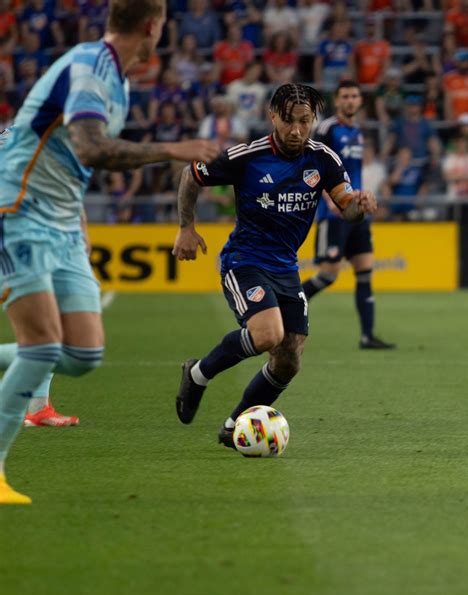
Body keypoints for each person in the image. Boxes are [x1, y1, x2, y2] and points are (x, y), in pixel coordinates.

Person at [0, 0, 219, 505]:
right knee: (39, 347)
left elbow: (82, 161)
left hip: (62, 224)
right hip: (20, 211)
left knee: (82, 353)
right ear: (153, 26)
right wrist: (171, 149)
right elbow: (92, 148)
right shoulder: (90, 67)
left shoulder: (117, 80)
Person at [172, 83, 378, 450]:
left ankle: (234, 424)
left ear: (314, 119)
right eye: (288, 121)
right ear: (272, 117)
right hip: (244, 261)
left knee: (289, 359)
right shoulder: (246, 155)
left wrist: (359, 205)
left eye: (305, 121)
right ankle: (199, 373)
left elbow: (346, 208)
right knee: (268, 335)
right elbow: (192, 174)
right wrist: (187, 226)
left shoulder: (324, 159)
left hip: (286, 267)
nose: (297, 130)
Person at [302, 80, 395, 350]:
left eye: (355, 95)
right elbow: (310, 165)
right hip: (333, 215)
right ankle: (285, 307)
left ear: (360, 100)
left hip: (357, 213)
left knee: (365, 272)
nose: (351, 100)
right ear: (338, 101)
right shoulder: (327, 129)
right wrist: (328, 197)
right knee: (328, 276)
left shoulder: (356, 131)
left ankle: (367, 336)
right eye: (346, 96)